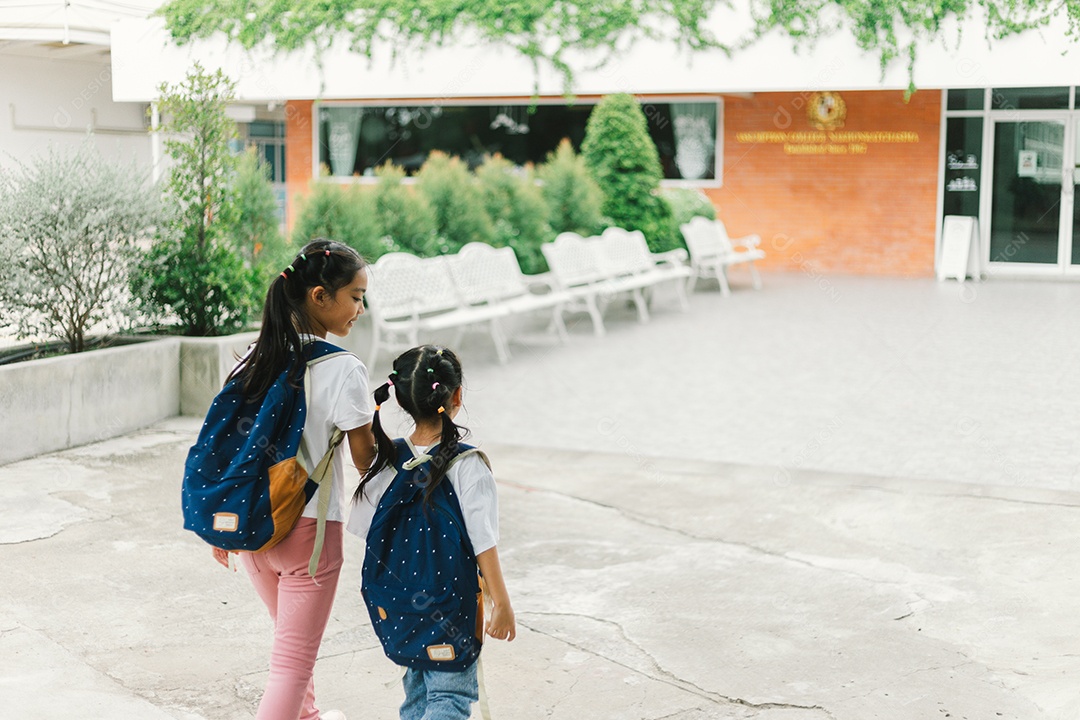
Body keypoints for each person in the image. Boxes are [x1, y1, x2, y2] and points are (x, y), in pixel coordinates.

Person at [213, 238, 376, 720]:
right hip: (311, 534)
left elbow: (229, 447)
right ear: (319, 297)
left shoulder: (251, 359)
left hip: (254, 530)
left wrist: (222, 524)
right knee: (290, 663)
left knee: (291, 651)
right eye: (355, 296)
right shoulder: (345, 369)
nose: (361, 309)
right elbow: (365, 461)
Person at [347, 345, 515, 720]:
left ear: (404, 402)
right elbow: (483, 542)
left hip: (396, 604)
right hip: (450, 607)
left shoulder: (388, 460)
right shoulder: (468, 465)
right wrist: (500, 602)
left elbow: (363, 527)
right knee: (449, 701)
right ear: (456, 395)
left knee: (417, 697)